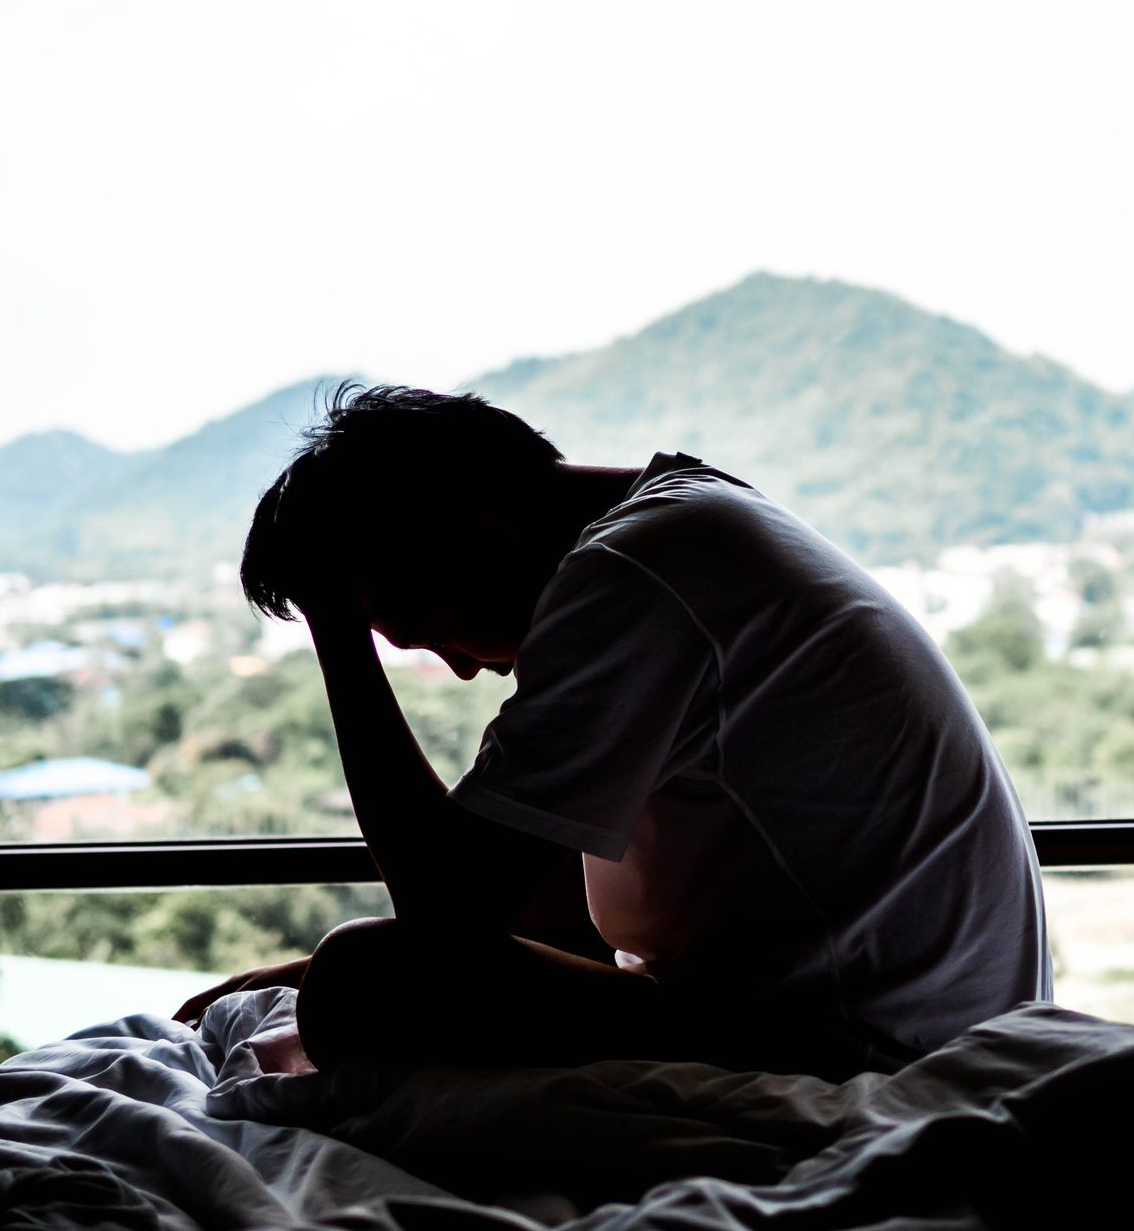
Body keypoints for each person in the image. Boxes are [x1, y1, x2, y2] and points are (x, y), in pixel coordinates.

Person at [174, 384, 1049, 1080]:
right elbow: (521, 895)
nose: (464, 667)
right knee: (383, 954)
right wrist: (303, 972)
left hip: (856, 1051)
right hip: (901, 1014)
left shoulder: (636, 576)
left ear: (482, 534)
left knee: (367, 986)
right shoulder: (687, 520)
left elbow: (443, 908)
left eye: (419, 625)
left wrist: (337, 630)